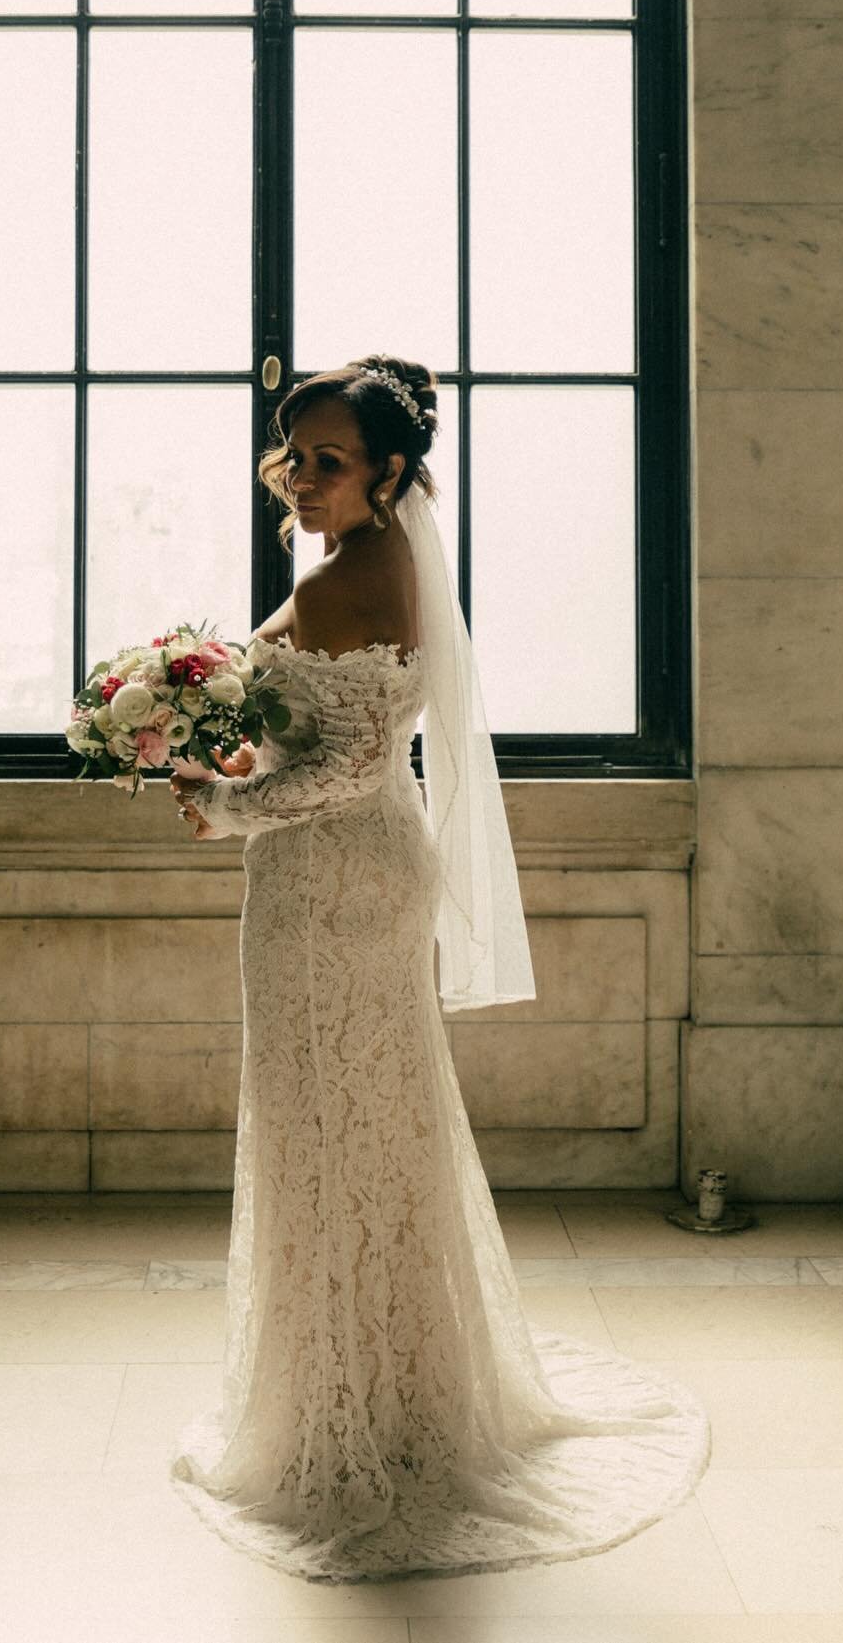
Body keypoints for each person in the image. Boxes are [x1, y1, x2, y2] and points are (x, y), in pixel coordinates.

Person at [166, 354, 710, 1582]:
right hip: (349, 871)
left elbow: (350, 769)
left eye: (329, 462)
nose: (301, 479)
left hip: (333, 881)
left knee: (334, 1127)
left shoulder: (357, 574)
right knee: (357, 1125)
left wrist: (221, 799)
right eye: (294, 456)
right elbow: (304, 718)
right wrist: (186, 703)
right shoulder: (361, 563)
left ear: (390, 474)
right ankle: (389, 1383)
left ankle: (360, 1412)